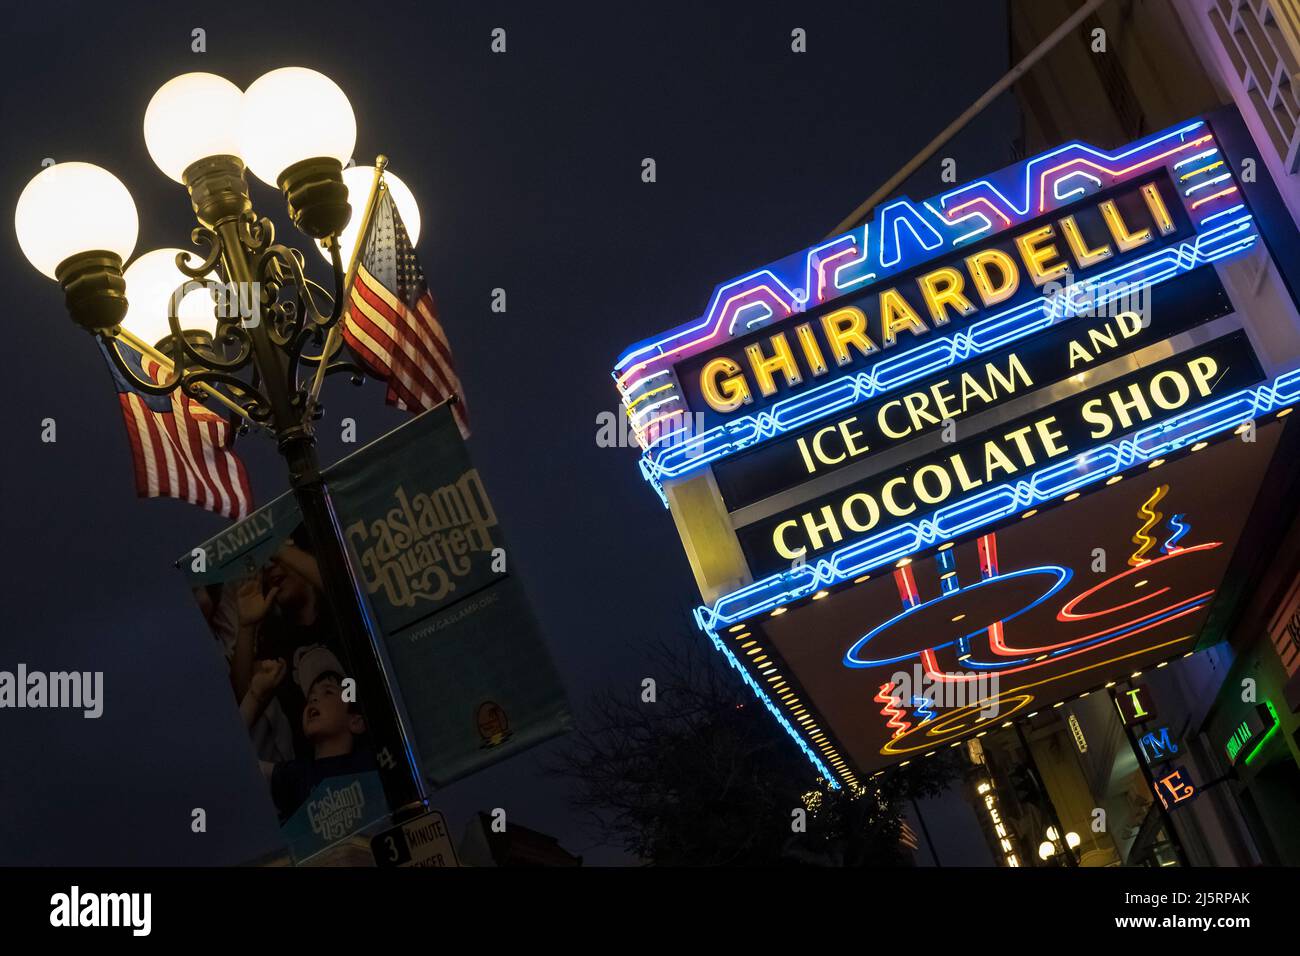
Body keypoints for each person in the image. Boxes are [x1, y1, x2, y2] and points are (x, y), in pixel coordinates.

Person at [242, 645, 376, 823]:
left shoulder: (373, 764)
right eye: (310, 697)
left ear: (356, 721)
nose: (313, 698)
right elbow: (231, 762)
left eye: (328, 691)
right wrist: (255, 695)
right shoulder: (295, 776)